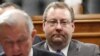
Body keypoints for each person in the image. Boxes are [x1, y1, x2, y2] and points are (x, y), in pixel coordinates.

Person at [33, 1, 100, 56]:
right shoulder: (31, 52)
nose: (58, 27)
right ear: (44, 26)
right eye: (53, 22)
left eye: (64, 22)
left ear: (72, 26)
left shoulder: (90, 52)